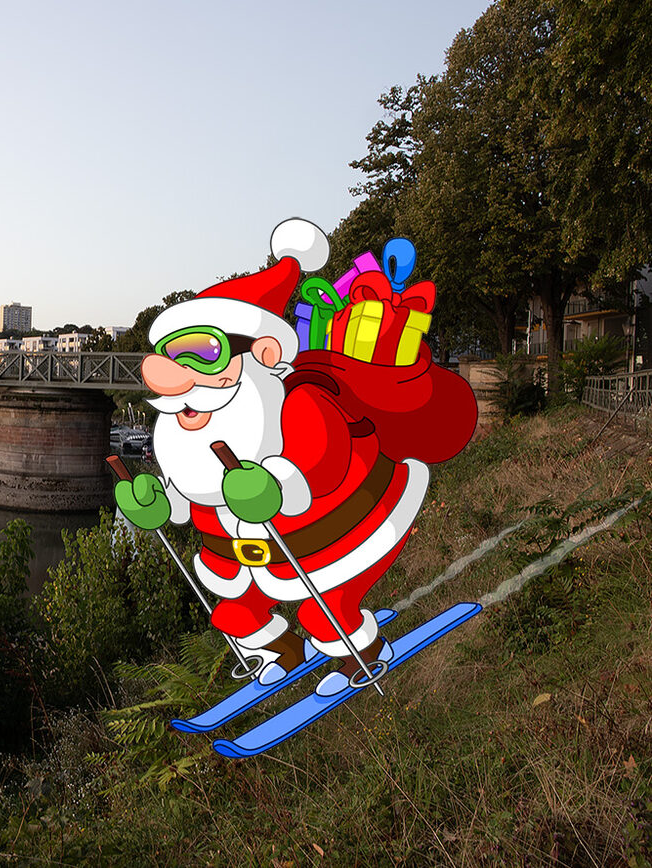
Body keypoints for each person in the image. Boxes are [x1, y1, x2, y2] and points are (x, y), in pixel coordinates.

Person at [115, 219, 477, 695]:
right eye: (172, 353)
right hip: (254, 558)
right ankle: (279, 652)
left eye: (204, 352)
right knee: (233, 612)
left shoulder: (301, 401)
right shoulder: (186, 428)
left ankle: (363, 657)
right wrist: (162, 503)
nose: (178, 375)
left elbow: (323, 462)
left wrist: (277, 485)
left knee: (322, 609)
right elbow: (193, 485)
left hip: (341, 534)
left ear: (263, 351)